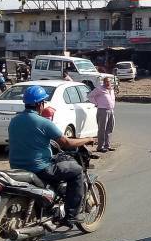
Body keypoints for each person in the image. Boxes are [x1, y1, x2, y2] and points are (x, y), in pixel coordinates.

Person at [8, 85, 94, 226]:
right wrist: (88, 139)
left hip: (17, 166)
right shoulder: (44, 122)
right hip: (39, 168)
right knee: (76, 171)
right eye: (44, 102)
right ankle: (71, 215)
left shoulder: (15, 120)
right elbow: (66, 143)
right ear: (40, 104)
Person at [88, 77, 116, 153]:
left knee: (110, 128)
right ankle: (100, 147)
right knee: (102, 129)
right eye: (106, 82)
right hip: (102, 110)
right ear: (103, 82)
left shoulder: (111, 89)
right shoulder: (99, 89)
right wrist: (96, 104)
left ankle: (107, 145)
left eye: (109, 81)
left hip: (111, 110)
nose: (108, 83)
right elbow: (90, 96)